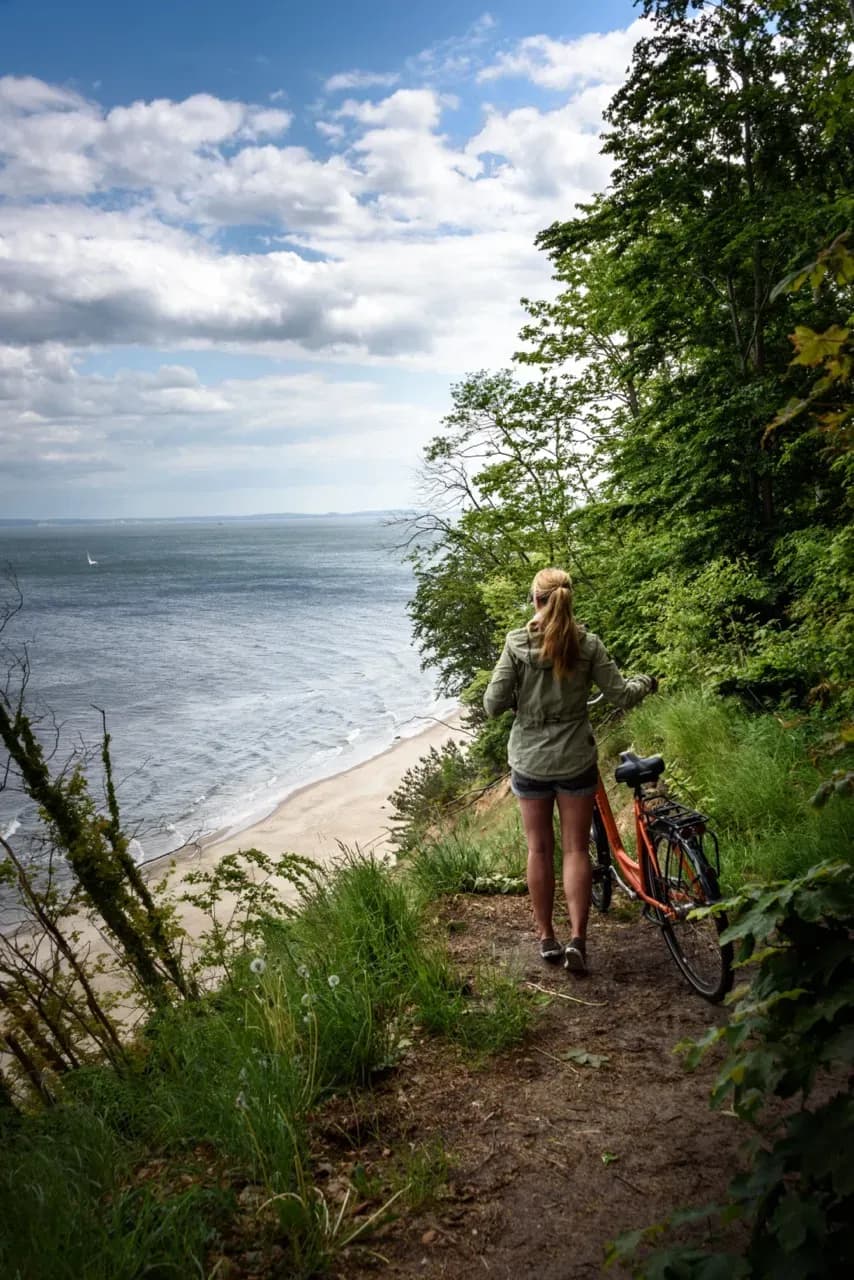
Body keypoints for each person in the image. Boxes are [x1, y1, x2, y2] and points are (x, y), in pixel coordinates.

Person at [483, 567, 657, 975]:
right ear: (567, 600)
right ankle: (578, 939)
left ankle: (547, 938)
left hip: (529, 759)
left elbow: (492, 704)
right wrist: (646, 682)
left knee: (538, 849)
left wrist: (519, 703)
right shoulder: (588, 645)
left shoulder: (516, 644)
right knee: (576, 850)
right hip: (576, 757)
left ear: (535, 601)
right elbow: (621, 695)